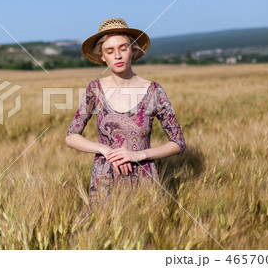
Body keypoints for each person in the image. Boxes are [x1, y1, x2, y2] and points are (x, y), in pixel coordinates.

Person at [65, 18, 186, 208]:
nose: (118, 56)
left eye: (123, 48)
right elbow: (71, 136)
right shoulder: (94, 89)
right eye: (110, 51)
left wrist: (139, 155)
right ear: (102, 57)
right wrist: (104, 149)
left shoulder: (154, 91)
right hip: (104, 180)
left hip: (144, 180)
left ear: (133, 50)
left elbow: (178, 143)